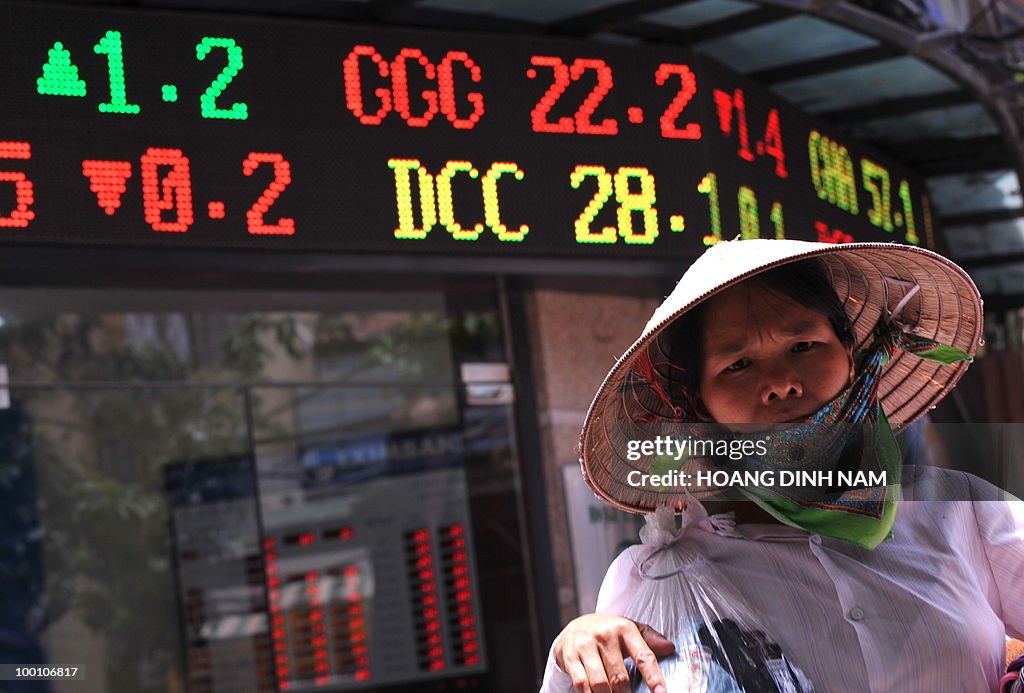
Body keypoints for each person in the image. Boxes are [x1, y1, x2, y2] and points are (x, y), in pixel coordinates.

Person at [539, 239, 1024, 692]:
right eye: (738, 365)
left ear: (851, 357)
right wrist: (575, 651)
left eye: (804, 346)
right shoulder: (660, 576)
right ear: (699, 402)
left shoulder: (963, 511)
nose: (781, 383)